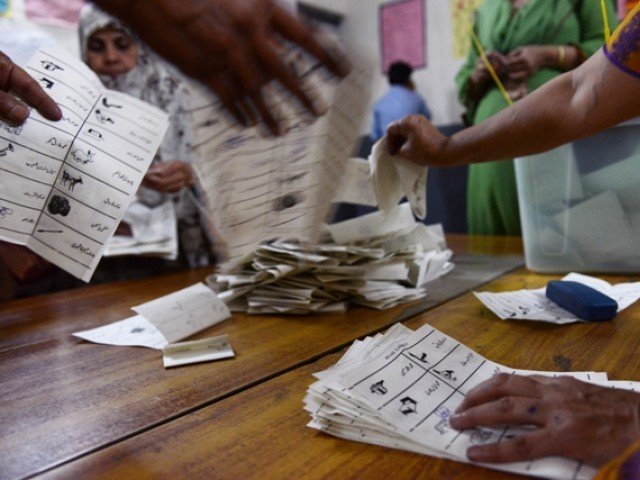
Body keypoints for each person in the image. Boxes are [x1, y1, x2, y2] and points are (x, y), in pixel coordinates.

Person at [386, 4, 640, 473]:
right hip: (502, 149)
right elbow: (582, 91)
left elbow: (585, 79)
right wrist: (445, 147)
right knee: (497, 274)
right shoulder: (487, 12)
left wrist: (551, 52)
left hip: (560, 160)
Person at [456, 0, 617, 236]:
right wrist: (480, 73)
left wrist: (549, 55)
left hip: (554, 130)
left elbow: (612, 52)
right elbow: (465, 76)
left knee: (555, 232)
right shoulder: (486, 9)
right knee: (492, 243)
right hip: (489, 143)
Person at [79, 5, 213, 276]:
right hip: (111, 250)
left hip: (182, 241)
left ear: (140, 43)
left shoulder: (177, 92)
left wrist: (189, 174)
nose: (111, 57)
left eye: (122, 44)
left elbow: (220, 161)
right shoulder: (76, 102)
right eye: (97, 46)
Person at [371, 61, 431, 142]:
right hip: (413, 148)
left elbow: (375, 135)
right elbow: (427, 118)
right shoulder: (416, 98)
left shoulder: (379, 104)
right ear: (408, 79)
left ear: (390, 79)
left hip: (388, 150)